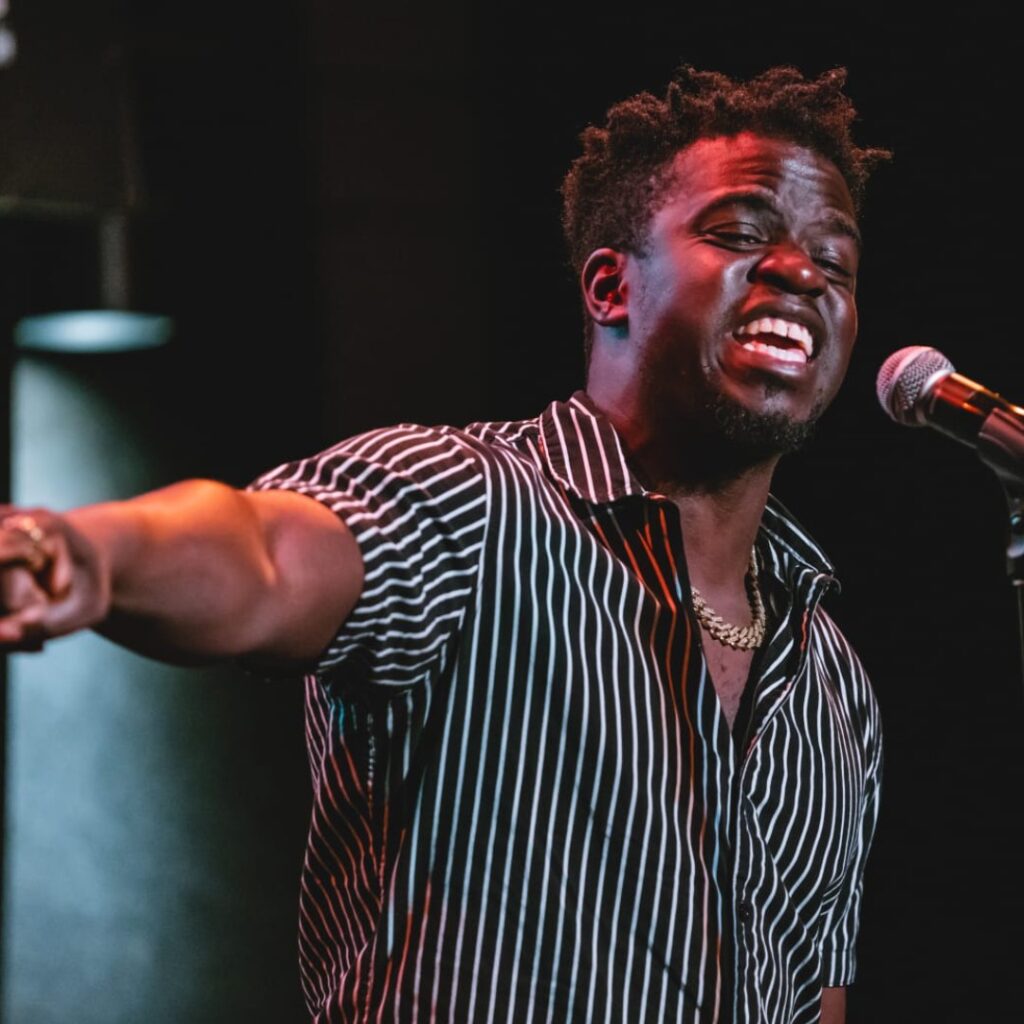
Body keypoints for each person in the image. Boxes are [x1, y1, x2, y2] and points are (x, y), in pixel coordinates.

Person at [0, 66, 886, 1023]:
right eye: (742, 235)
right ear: (609, 285)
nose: (800, 274)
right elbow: (262, 555)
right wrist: (83, 554)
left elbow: (813, 997)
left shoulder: (832, 680)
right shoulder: (473, 504)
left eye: (833, 262)